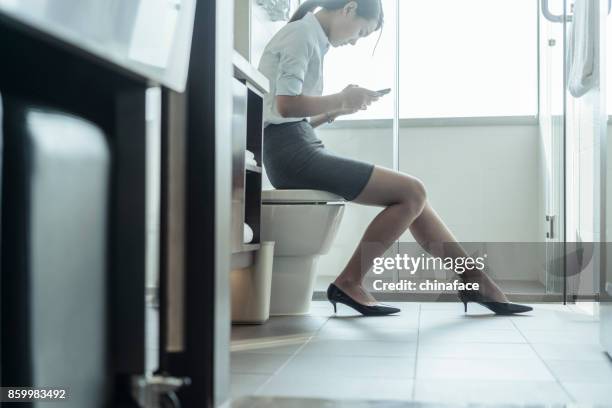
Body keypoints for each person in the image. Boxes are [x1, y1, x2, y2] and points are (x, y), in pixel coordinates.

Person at [258, 0, 532, 316]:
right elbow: (285, 107)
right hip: (292, 153)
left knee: (415, 198)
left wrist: (335, 111)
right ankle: (351, 281)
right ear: (349, 8)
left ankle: (473, 279)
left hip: (294, 146)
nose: (355, 40)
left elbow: (285, 116)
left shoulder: (309, 36)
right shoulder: (302, 35)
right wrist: (341, 97)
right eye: (361, 31)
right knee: (412, 191)